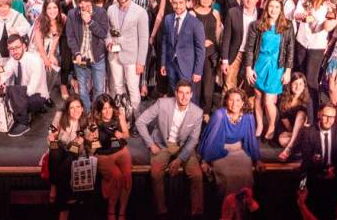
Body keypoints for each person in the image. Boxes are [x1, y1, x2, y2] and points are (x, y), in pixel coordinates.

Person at [136, 81, 204, 219]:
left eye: (187, 93)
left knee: (197, 175)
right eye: (181, 93)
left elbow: (193, 140)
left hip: (184, 146)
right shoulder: (162, 104)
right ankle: (162, 212)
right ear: (176, 93)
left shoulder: (197, 112)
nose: (184, 97)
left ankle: (197, 213)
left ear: (191, 95)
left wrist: (179, 159)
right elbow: (140, 122)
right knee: (155, 174)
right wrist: (150, 144)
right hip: (162, 144)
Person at [244, 0, 295, 142]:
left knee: (269, 101)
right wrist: (248, 68)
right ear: (266, 8)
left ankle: (272, 126)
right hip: (259, 64)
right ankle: (260, 125)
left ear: (281, 10)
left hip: (276, 66)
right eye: (271, 6)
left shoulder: (287, 25)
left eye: (277, 7)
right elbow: (249, 48)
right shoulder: (256, 25)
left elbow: (290, 49)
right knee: (258, 97)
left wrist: (288, 71)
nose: (273, 10)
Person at [199, 89, 263, 199]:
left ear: (242, 103)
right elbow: (210, 138)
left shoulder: (248, 117)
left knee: (245, 175)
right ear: (226, 101)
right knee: (228, 175)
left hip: (240, 149)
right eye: (231, 100)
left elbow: (251, 139)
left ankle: (243, 205)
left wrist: (257, 160)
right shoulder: (219, 115)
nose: (234, 104)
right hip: (219, 148)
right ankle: (227, 205)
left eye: (238, 100)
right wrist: (204, 160)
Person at [106, 0, 149, 123]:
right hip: (114, 55)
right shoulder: (111, 9)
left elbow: (144, 39)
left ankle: (136, 119)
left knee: (133, 89)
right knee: (118, 87)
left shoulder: (140, 12)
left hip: (132, 58)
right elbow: (107, 31)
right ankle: (122, 118)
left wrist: (141, 62)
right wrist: (108, 42)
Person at [85, 94, 132, 220]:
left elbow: (127, 134)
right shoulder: (94, 121)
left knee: (127, 177)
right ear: (99, 111)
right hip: (104, 154)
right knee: (117, 177)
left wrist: (121, 134)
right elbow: (93, 149)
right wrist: (92, 140)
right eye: (104, 108)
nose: (108, 111)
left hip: (121, 150)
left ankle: (122, 211)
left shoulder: (119, 115)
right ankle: (111, 210)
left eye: (110, 107)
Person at [0, 34, 48, 137]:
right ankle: (25, 111)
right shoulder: (13, 60)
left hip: (38, 96)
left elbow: (30, 90)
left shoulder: (35, 61)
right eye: (11, 49)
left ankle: (23, 123)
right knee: (6, 92)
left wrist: (8, 90)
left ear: (24, 46)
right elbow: (0, 80)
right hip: (23, 93)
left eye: (17, 47)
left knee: (12, 93)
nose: (15, 51)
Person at [298, 105, 337, 220]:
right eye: (326, 116)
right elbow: (306, 162)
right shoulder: (308, 132)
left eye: (332, 117)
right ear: (319, 115)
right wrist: (301, 186)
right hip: (315, 176)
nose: (329, 120)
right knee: (311, 203)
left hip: (334, 177)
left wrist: (335, 171)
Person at [66, 0, 110, 111]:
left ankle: (96, 112)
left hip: (97, 57)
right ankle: (87, 112)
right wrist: (76, 53)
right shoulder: (72, 14)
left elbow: (103, 33)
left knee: (99, 88)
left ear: (91, 0)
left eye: (86, 1)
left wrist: (90, 22)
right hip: (80, 57)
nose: (83, 5)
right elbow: (70, 37)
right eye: (80, 2)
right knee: (82, 89)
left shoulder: (100, 12)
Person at [293, 0, 330, 120]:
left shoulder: (326, 5)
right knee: (301, 78)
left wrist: (313, 18)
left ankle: (313, 115)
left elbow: (327, 26)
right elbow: (296, 15)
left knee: (311, 80)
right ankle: (302, 111)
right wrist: (302, 15)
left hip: (317, 46)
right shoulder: (303, 2)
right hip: (302, 43)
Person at [47, 95, 88, 220]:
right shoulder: (59, 116)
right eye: (72, 108)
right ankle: (54, 186)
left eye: (78, 107)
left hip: (74, 151)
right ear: (67, 110)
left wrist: (82, 141)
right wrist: (51, 138)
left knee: (67, 160)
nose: (76, 110)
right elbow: (51, 134)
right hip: (59, 148)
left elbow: (88, 144)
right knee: (55, 150)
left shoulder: (86, 121)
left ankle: (55, 189)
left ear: (82, 108)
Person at [160, 0, 205, 95]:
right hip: (171, 64)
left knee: (187, 96)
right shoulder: (168, 19)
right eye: (175, 3)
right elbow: (165, 43)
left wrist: (198, 71)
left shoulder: (195, 23)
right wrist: (163, 63)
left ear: (186, 3)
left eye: (181, 3)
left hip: (187, 66)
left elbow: (200, 49)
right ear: (171, 2)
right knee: (174, 94)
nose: (178, 6)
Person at [221, 0, 260, 93]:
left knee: (249, 87)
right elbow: (226, 38)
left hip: (253, 55)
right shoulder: (233, 12)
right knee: (229, 85)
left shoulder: (262, 14)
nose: (249, 0)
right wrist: (225, 60)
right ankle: (226, 104)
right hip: (235, 53)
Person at [31, 0, 69, 101]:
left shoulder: (63, 18)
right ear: (45, 9)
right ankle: (37, 95)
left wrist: (51, 54)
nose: (52, 11)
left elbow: (57, 36)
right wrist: (45, 58)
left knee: (54, 65)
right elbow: (38, 42)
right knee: (42, 68)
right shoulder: (40, 20)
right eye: (49, 8)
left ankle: (46, 94)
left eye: (55, 7)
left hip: (51, 46)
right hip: (38, 48)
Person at [276, 72, 311, 162]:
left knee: (301, 113)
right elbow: (284, 119)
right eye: (295, 83)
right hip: (288, 130)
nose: (298, 86)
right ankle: (297, 143)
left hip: (302, 128)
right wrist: (294, 134)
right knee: (282, 140)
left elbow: (310, 122)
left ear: (304, 86)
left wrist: (301, 129)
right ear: (290, 85)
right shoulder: (283, 98)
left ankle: (288, 149)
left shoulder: (308, 100)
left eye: (300, 84)